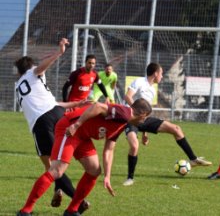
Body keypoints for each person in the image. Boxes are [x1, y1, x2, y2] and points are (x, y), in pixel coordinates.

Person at [17, 98, 152, 216]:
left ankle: (72, 210)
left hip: (83, 136)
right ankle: (25, 210)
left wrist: (107, 176)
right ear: (142, 114)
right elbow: (98, 106)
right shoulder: (125, 113)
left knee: (94, 170)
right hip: (70, 128)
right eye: (145, 118)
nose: (144, 122)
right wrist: (76, 124)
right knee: (57, 170)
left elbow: (109, 150)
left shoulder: (123, 123)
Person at [14, 38, 89, 213]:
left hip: (42, 122)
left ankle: (78, 200)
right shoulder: (33, 78)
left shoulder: (21, 82)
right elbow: (54, 103)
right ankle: (59, 188)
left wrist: (59, 53)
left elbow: (40, 68)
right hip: (58, 114)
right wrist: (76, 105)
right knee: (57, 165)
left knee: (51, 167)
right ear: (30, 66)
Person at [123, 62, 212, 187]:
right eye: (161, 73)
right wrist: (136, 112)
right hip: (130, 118)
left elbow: (146, 113)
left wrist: (145, 132)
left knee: (176, 129)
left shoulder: (152, 91)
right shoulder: (139, 82)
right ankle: (130, 178)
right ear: (155, 73)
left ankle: (193, 159)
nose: (162, 76)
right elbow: (127, 96)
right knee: (134, 146)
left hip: (142, 120)